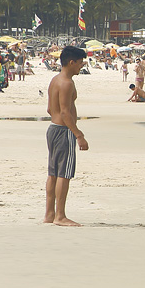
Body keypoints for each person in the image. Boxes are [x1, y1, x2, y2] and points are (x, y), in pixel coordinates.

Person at [44, 46, 90, 226]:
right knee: (64, 173)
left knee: (53, 172)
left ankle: (49, 214)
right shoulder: (67, 83)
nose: (81, 66)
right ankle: (60, 216)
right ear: (72, 62)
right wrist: (78, 134)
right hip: (64, 131)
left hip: (53, 129)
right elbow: (65, 112)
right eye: (80, 63)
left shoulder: (55, 80)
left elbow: (50, 109)